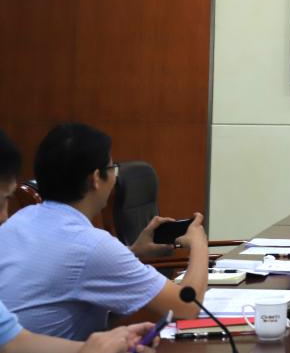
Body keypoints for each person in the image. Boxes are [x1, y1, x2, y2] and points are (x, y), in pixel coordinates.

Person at [0, 123, 209, 341]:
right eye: (112, 168)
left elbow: (63, 265)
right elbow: (187, 306)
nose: (115, 177)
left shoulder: (17, 221)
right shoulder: (92, 246)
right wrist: (199, 244)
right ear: (95, 179)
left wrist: (133, 251)